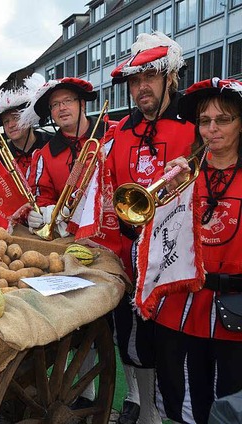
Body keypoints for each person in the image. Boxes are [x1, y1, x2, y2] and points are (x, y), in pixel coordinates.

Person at [107, 31, 193, 424]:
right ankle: (147, 414)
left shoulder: (194, 127)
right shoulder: (121, 131)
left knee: (175, 350)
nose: (141, 88)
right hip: (131, 258)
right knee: (134, 343)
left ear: (169, 78)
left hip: (177, 261)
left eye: (150, 78)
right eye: (135, 80)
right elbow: (109, 191)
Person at [152, 78, 242, 424]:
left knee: (230, 405)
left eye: (223, 120)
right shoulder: (183, 174)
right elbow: (161, 242)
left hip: (235, 310)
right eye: (205, 121)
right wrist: (170, 197)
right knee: (188, 402)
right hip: (185, 306)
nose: (212, 129)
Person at [23, 77, 116, 240]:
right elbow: (43, 197)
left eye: (67, 101)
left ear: (82, 104)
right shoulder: (44, 155)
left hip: (117, 230)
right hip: (73, 238)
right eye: (55, 105)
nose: (62, 108)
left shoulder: (115, 133)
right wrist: (42, 212)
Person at [0, 73, 48, 179]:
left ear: (28, 118)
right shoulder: (1, 158)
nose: (11, 125)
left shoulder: (50, 145)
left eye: (16, 118)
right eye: (6, 122)